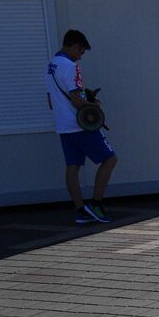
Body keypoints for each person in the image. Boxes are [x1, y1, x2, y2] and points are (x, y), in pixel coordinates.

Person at [45, 29, 118, 225]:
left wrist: (84, 97)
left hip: (63, 126)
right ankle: (96, 204)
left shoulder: (51, 66)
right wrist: (94, 105)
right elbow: (77, 101)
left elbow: (52, 102)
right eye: (81, 52)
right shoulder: (71, 67)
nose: (81, 57)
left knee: (72, 167)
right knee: (110, 159)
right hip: (79, 126)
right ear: (75, 46)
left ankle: (80, 211)